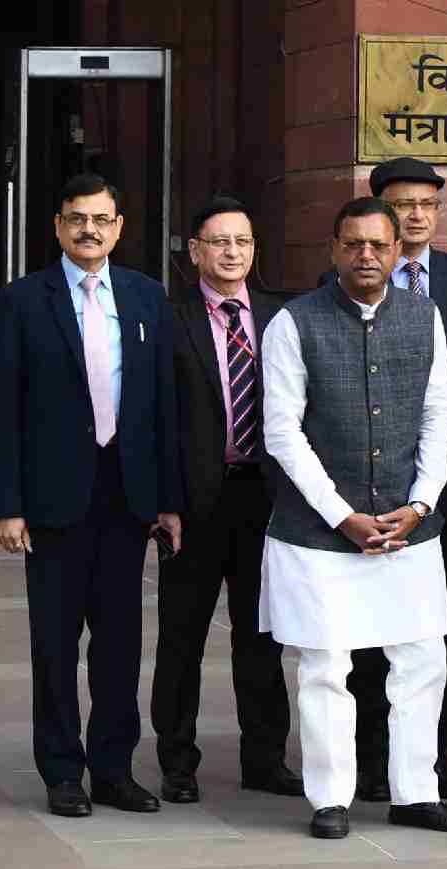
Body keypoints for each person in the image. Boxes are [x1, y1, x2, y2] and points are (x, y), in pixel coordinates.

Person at [259, 196, 447, 839]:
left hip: (410, 527)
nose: (366, 256)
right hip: (319, 535)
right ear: (333, 250)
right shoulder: (293, 323)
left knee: (422, 660)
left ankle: (416, 792)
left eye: (379, 245)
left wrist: (422, 501)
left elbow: (441, 415)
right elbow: (282, 432)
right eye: (353, 244)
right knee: (326, 667)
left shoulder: (426, 314)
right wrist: (343, 515)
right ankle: (330, 798)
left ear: (396, 250)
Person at [0, 172, 181, 817]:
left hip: (127, 498)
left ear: (119, 226)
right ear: (58, 227)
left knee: (121, 642)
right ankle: (62, 771)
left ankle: (114, 769)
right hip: (52, 500)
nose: (89, 230)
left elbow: (161, 408)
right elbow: (6, 409)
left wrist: (168, 499)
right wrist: (7, 503)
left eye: (101, 219)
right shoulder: (23, 300)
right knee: (54, 642)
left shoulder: (148, 297)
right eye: (76, 219)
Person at [348, 157, 447, 803]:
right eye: (402, 204)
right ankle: (369, 759)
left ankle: (437, 757)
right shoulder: (347, 281)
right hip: (371, 489)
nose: (415, 215)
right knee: (369, 635)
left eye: (426, 205)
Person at [150, 196, 300, 805]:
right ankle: (176, 763)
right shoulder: (169, 319)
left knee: (262, 635)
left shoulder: (283, 316)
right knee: (181, 637)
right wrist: (163, 502)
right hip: (193, 504)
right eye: (218, 242)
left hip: (265, 500)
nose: (232, 251)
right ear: (195, 251)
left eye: (242, 241)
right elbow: (154, 418)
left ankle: (264, 759)